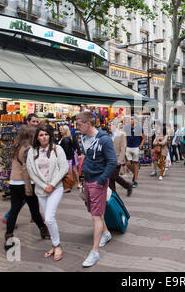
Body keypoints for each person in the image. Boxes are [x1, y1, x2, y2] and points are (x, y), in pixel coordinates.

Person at [76, 111, 117, 268]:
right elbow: (87, 156)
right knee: (96, 213)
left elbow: (112, 161)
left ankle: (94, 252)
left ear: (88, 123)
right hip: (88, 180)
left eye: (79, 124)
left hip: (97, 182)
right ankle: (106, 234)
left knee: (95, 216)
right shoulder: (84, 138)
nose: (77, 128)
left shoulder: (104, 140)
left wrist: (101, 180)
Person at [26, 126, 69, 262]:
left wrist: (52, 184)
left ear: (50, 136)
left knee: (49, 218)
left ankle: (57, 246)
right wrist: (44, 186)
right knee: (48, 219)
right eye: (41, 135)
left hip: (56, 188)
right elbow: (31, 171)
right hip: (41, 190)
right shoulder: (32, 151)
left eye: (46, 134)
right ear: (37, 137)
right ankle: (54, 245)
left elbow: (64, 168)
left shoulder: (57, 149)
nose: (44, 137)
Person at [4, 125, 49, 251]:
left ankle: (9, 236)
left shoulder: (17, 146)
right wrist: (28, 188)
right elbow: (25, 168)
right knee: (34, 210)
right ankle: (43, 230)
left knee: (14, 210)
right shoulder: (28, 148)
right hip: (24, 183)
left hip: (14, 182)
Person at [108, 120, 133, 196]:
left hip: (117, 158)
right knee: (111, 176)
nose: (108, 127)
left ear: (115, 126)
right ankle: (113, 192)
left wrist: (120, 160)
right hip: (109, 159)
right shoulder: (108, 134)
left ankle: (128, 186)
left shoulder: (121, 134)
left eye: (110, 125)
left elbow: (123, 148)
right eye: (108, 125)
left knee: (114, 176)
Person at [58, 125, 79, 193]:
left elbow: (66, 150)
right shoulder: (66, 138)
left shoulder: (66, 139)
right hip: (69, 157)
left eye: (62, 129)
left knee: (67, 172)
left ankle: (68, 186)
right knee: (69, 171)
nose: (60, 130)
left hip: (67, 157)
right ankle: (69, 185)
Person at [125, 116, 145, 188]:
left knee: (135, 163)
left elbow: (143, 138)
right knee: (127, 164)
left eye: (132, 119)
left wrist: (140, 146)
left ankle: (135, 181)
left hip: (136, 147)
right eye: (130, 119)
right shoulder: (127, 128)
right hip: (128, 147)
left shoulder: (139, 128)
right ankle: (135, 173)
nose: (131, 120)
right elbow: (126, 137)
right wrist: (125, 146)